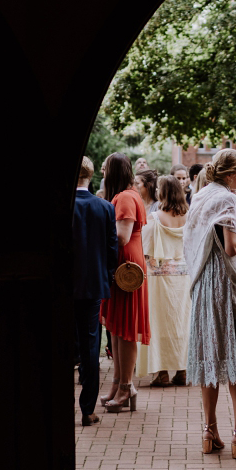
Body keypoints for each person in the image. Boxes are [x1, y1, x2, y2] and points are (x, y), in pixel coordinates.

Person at [184, 148, 236, 459]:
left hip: (204, 282)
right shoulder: (228, 199)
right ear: (230, 173)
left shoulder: (202, 194)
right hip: (226, 282)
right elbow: (232, 248)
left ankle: (209, 430)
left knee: (211, 355)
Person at [99, 153, 150, 413]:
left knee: (126, 328)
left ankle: (126, 385)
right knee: (117, 328)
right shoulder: (124, 195)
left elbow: (121, 236)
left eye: (105, 168)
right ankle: (119, 382)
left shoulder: (126, 197)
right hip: (123, 264)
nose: (101, 172)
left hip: (127, 268)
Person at [72, 156, 119, 426]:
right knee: (91, 344)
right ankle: (87, 409)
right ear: (90, 176)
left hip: (65, 285)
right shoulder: (104, 207)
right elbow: (112, 249)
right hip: (93, 284)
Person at [136, 176, 190, 387]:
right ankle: (183, 370)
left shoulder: (154, 218)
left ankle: (161, 372)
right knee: (182, 323)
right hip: (184, 278)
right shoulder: (190, 217)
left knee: (159, 323)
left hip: (158, 280)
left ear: (163, 192)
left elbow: (145, 249)